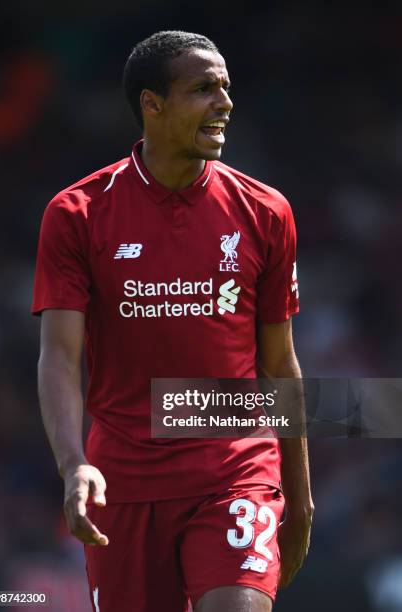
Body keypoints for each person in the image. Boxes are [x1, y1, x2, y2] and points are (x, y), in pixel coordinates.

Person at [32, 30, 314, 612]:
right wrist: (72, 464)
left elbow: (280, 363)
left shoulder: (265, 211)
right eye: (204, 89)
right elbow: (59, 355)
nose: (225, 103)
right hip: (126, 481)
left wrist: (301, 498)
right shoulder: (79, 212)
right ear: (151, 105)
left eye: (226, 89)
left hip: (235, 469)